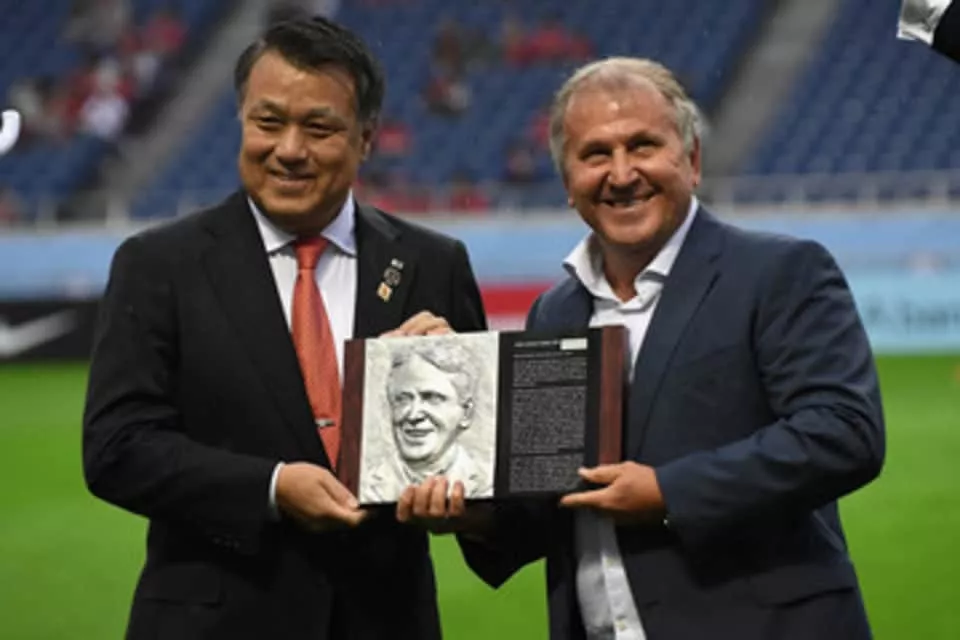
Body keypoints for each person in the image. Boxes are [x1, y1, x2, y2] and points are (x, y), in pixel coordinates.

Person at [400, 57, 885, 639]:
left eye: (643, 146)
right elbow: (549, 500)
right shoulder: (554, 313)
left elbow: (843, 432)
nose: (622, 173)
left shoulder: (780, 271)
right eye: (595, 154)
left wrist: (667, 493)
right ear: (568, 182)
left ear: (692, 160)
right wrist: (467, 512)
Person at [82, 16, 485, 640]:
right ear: (242, 120)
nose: (289, 149)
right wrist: (270, 487)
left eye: (319, 128)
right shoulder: (158, 264)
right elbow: (117, 447)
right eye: (267, 122)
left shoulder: (434, 265)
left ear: (366, 138)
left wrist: (464, 506)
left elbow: (483, 465)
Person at [363, 342, 491, 502]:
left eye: (432, 398)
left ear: (466, 413)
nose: (413, 415)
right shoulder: (365, 487)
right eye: (402, 399)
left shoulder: (487, 484)